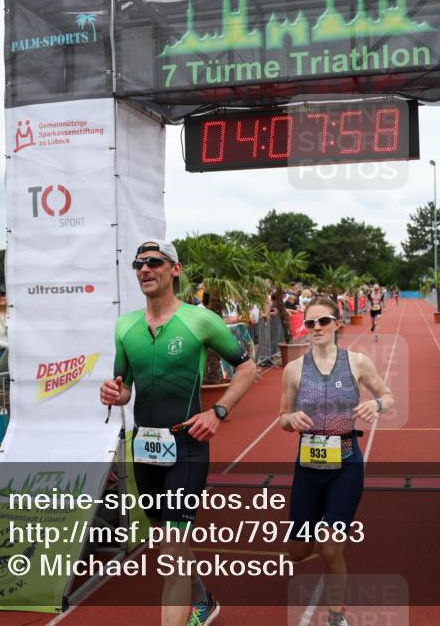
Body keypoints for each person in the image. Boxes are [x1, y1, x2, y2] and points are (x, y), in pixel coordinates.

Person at [99, 239, 257, 626]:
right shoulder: (125, 326)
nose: (144, 269)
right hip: (146, 449)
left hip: (186, 445)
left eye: (154, 262)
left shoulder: (200, 320)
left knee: (170, 546)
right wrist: (114, 393)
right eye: (139, 264)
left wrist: (218, 411)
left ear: (175, 270)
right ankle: (204, 600)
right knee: (168, 542)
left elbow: (248, 367)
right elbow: (124, 388)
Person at [279, 297, 394, 626]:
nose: (316, 328)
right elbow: (282, 418)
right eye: (310, 322)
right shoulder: (293, 369)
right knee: (298, 552)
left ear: (337, 323)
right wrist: (293, 420)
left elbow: (387, 395)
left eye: (323, 321)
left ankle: (335, 614)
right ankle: (323, 532)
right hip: (308, 467)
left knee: (330, 549)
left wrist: (378, 406)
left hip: (346, 464)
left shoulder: (357, 362)